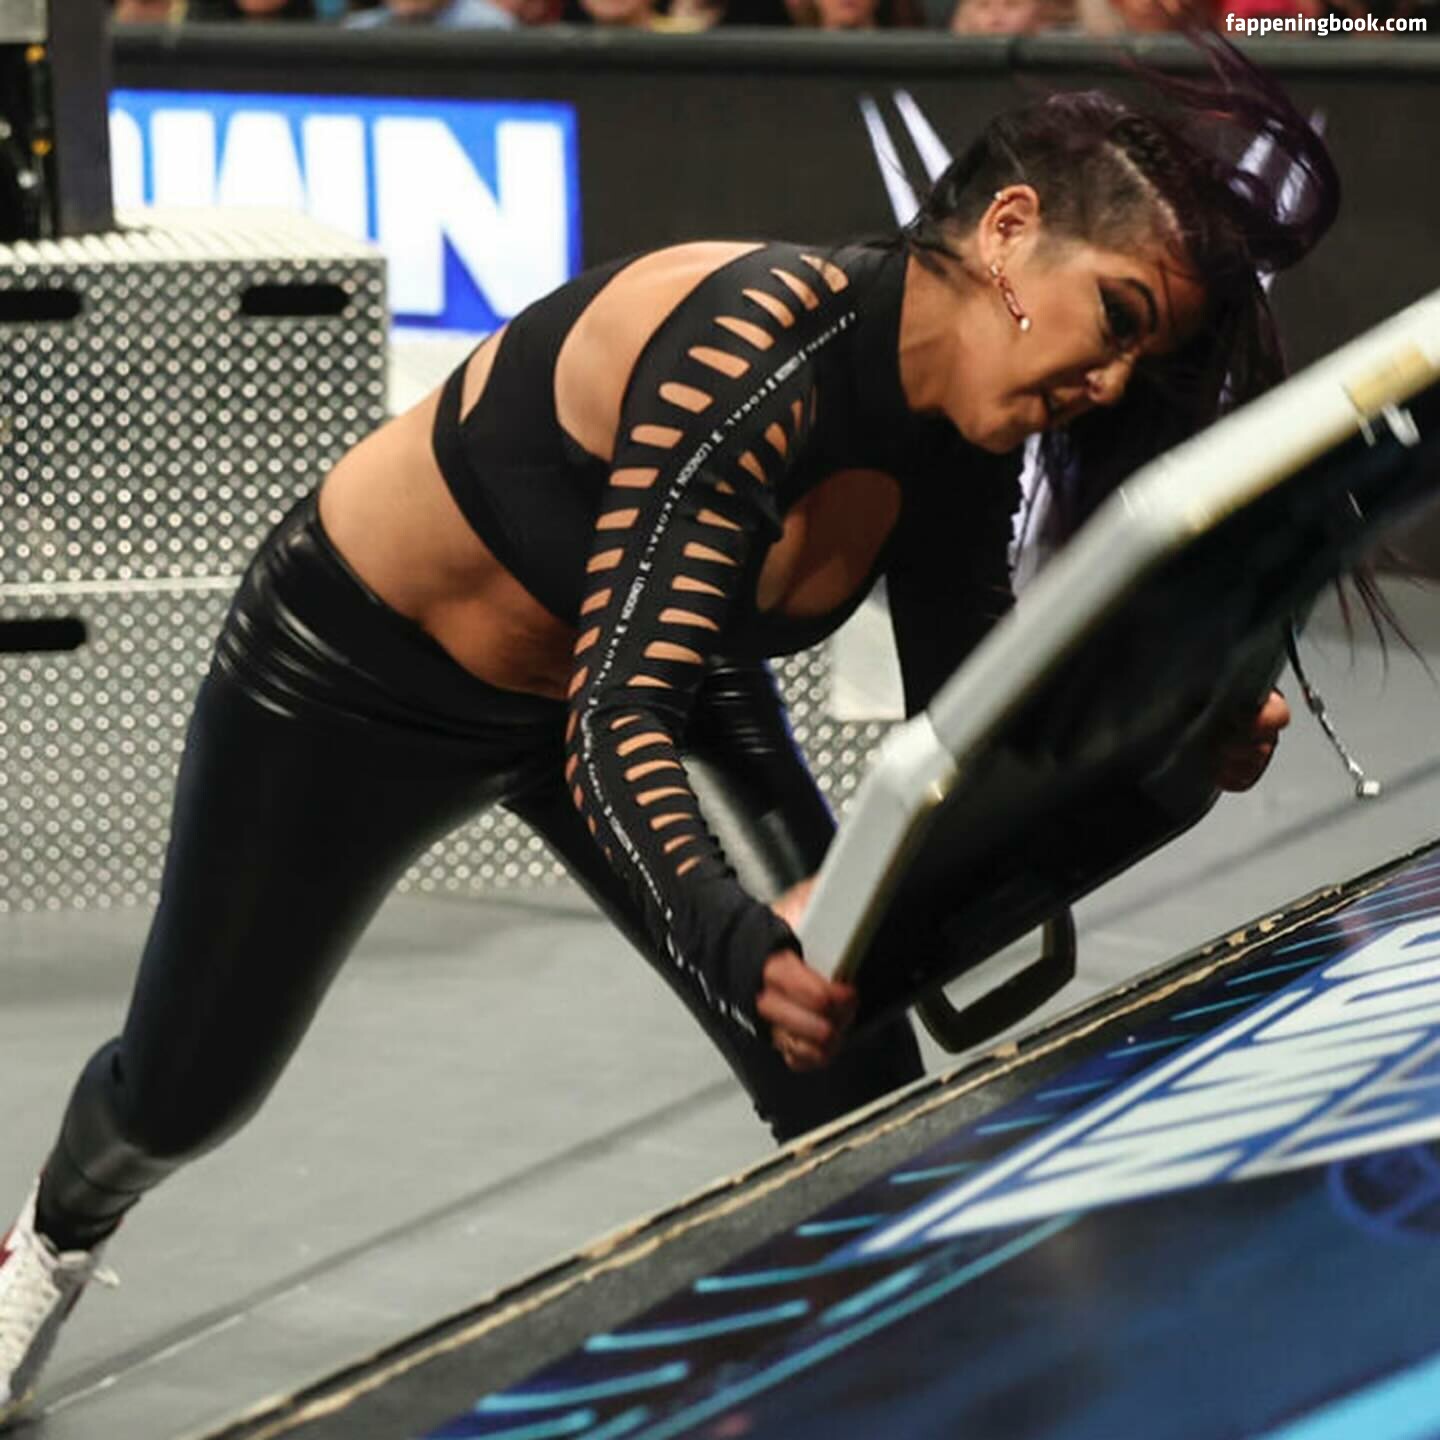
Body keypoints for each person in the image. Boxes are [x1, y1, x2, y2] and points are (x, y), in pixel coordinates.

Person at [0, 35, 1327, 1427]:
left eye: (1140, 352)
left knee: (852, 1060)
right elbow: (612, 721)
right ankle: (49, 1243)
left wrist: (1169, 743)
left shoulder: (966, 433)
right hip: (361, 676)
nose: (1109, 382)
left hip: (659, 667)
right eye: (1115, 316)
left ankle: (880, 1392)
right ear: (1008, 231)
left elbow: (971, 725)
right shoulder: (755, 342)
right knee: (186, 1091)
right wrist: (738, 941)